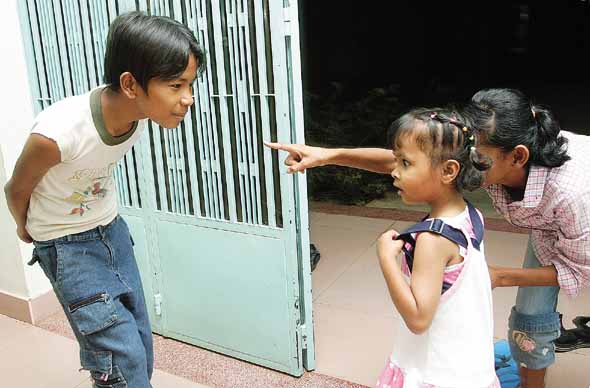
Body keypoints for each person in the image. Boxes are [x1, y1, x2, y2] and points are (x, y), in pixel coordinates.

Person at [266, 88, 590, 388]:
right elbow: (410, 162)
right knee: (526, 320)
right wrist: (326, 155)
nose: (468, 159)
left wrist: (387, 259)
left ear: (517, 157)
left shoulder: (572, 194)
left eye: (476, 154)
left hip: (581, 235)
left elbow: (419, 318)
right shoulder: (472, 195)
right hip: (466, 363)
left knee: (532, 317)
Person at [4, 11, 205, 388]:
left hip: (112, 232)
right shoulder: (58, 132)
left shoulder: (138, 116)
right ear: (131, 84)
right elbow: (15, 187)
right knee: (119, 361)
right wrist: (25, 227)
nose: (188, 99)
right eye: (177, 86)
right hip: (67, 247)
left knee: (139, 346)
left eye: (189, 85)